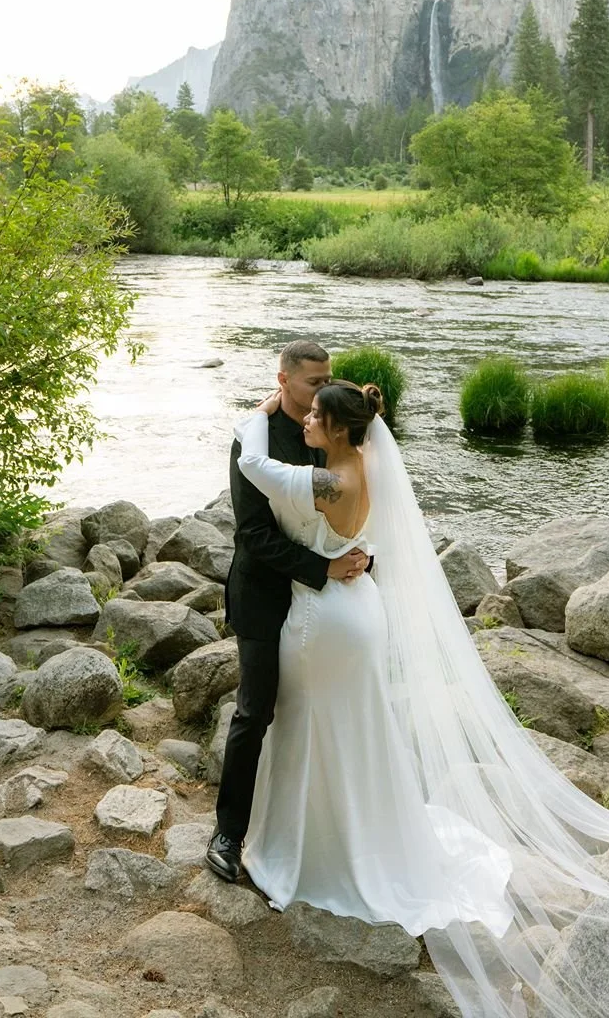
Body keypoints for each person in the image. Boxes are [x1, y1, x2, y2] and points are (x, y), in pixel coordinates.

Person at [227, 377, 609, 1018]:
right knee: (356, 729)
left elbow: (253, 461)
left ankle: (308, 849)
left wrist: (258, 414)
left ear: (339, 430)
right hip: (358, 610)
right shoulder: (365, 464)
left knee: (317, 728)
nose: (304, 420)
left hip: (324, 623)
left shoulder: (328, 482)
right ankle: (353, 832)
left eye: (314, 416)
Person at [206, 340, 368, 885]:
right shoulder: (251, 440)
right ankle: (229, 833)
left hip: (326, 609)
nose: (322, 389)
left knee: (326, 711)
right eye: (312, 382)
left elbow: (363, 507)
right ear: (282, 381)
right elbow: (252, 536)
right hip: (265, 596)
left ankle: (316, 834)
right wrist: (324, 570)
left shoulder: (336, 429)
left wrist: (364, 559)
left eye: (328, 379)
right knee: (256, 711)